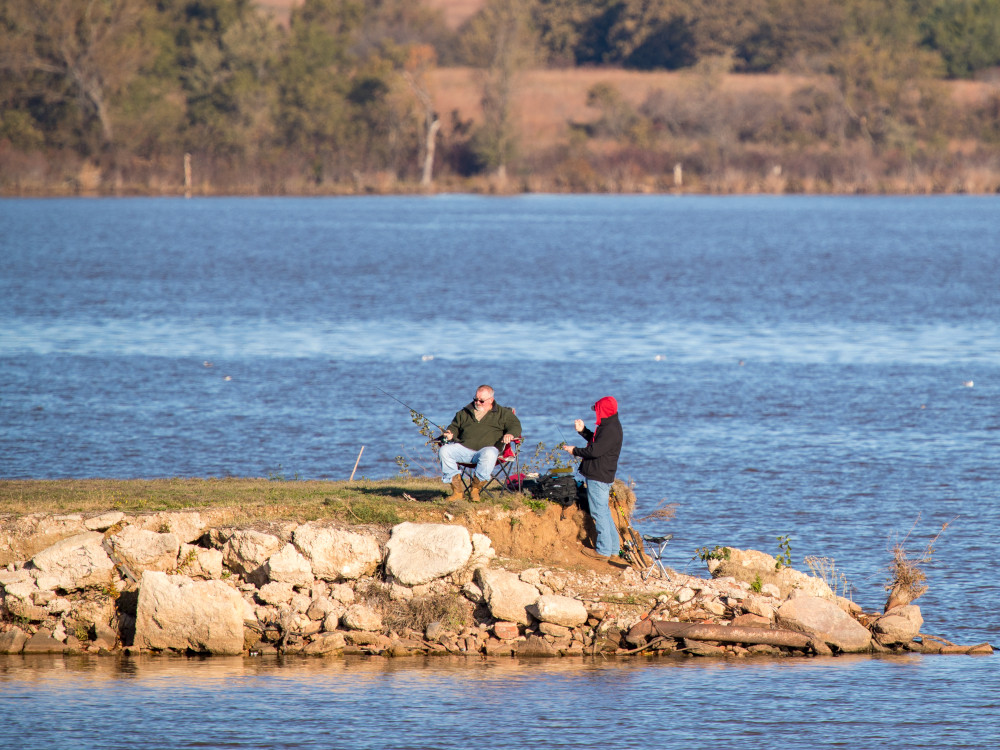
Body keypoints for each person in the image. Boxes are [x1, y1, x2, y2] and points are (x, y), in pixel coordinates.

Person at [561, 396, 623, 563]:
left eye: (597, 410)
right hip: (603, 475)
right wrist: (583, 431)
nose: (596, 413)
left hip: (599, 476)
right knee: (603, 511)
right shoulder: (609, 425)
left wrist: (574, 450)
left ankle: (603, 551)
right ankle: (613, 549)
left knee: (598, 512)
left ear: (603, 411)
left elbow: (594, 451)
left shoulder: (609, 429)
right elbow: (597, 444)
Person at [439, 385, 521, 502]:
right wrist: (450, 433)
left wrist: (510, 434)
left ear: (491, 400)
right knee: (444, 450)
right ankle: (457, 492)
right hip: (465, 448)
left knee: (490, 452)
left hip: (487, 451)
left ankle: (475, 490)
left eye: (481, 401)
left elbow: (515, 426)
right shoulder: (464, 412)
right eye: (475, 399)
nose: (478, 402)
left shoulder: (503, 413)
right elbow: (454, 427)